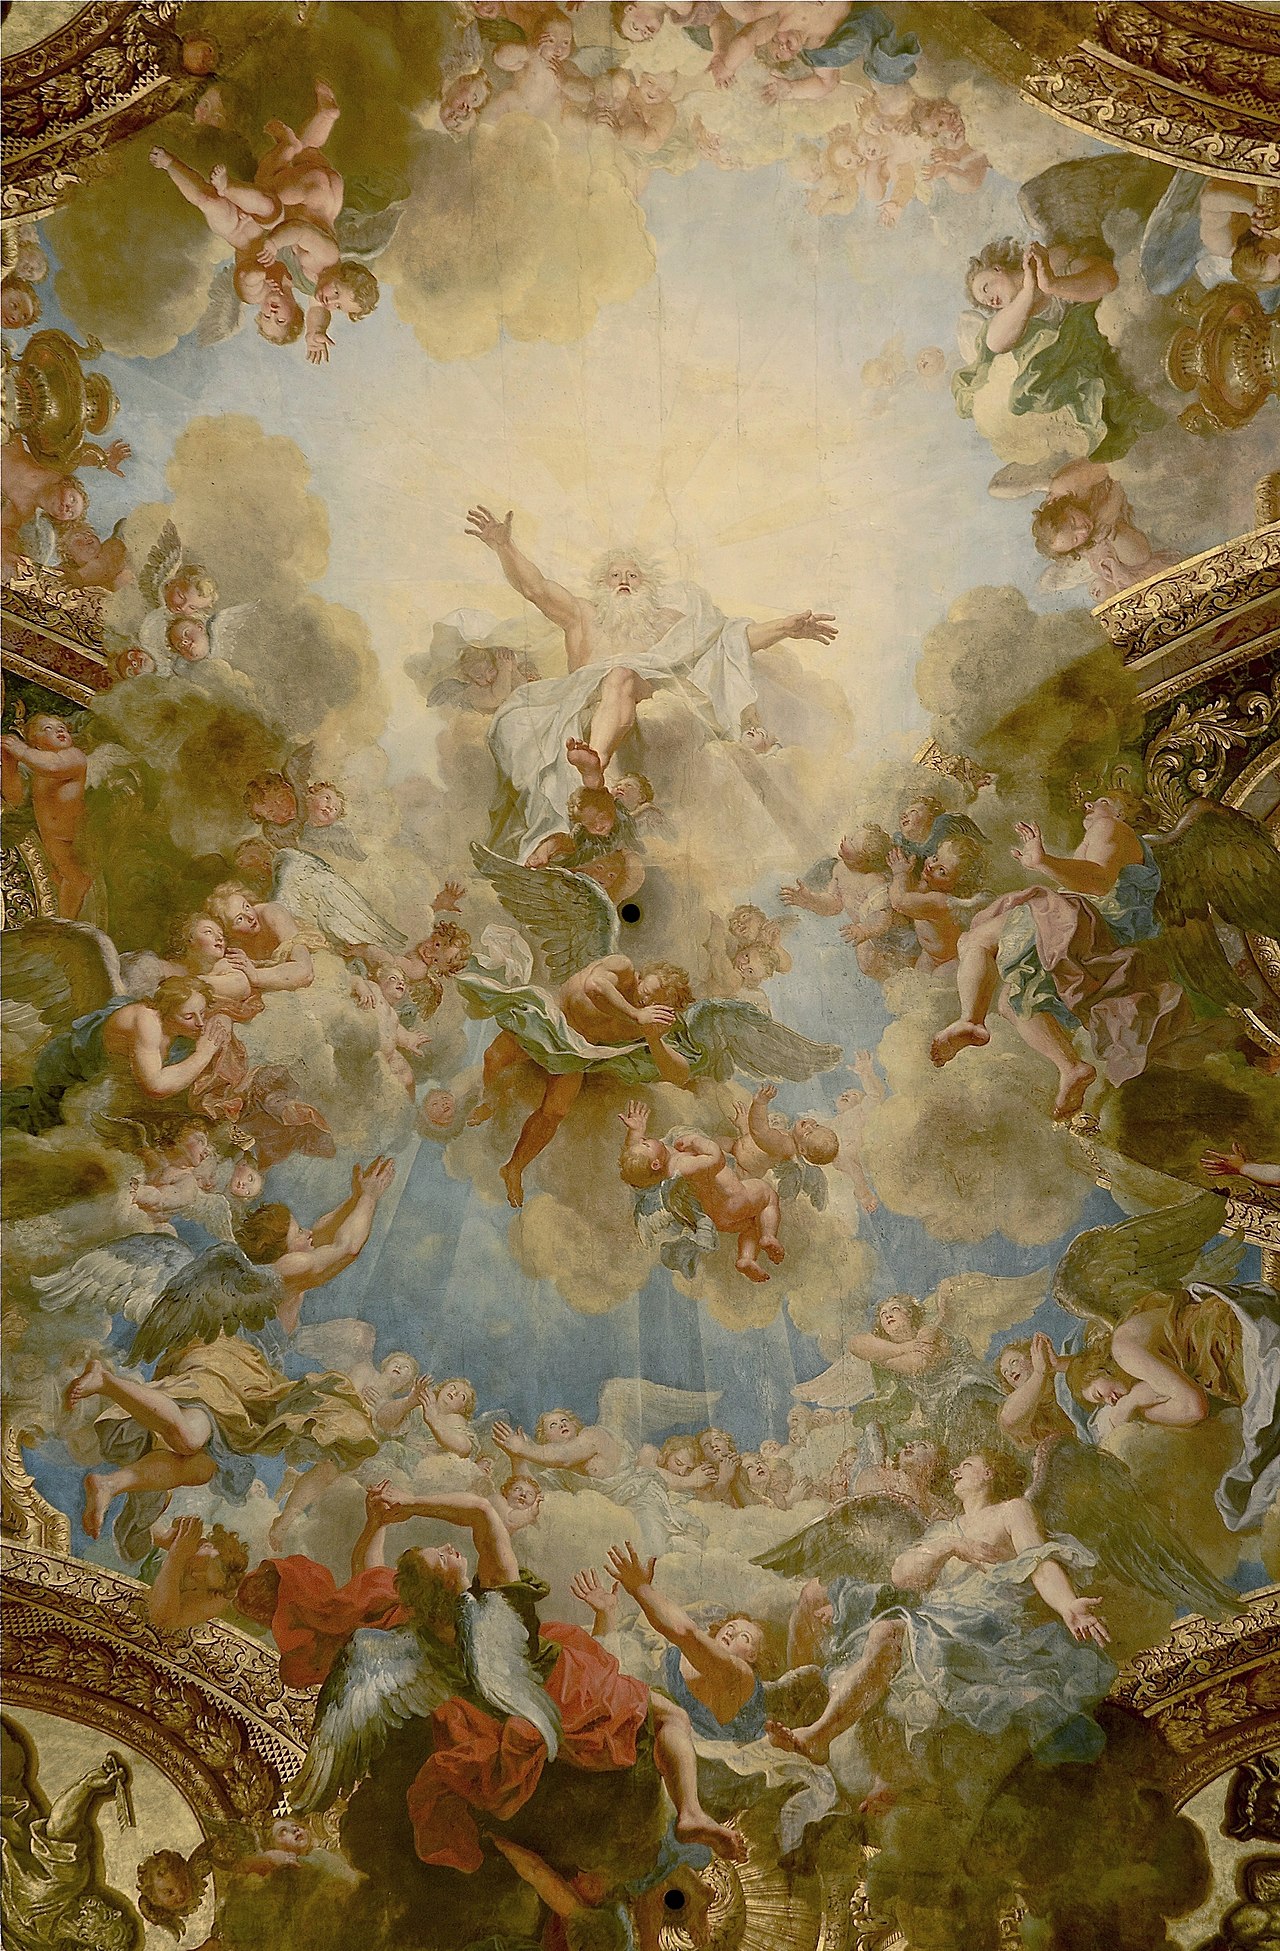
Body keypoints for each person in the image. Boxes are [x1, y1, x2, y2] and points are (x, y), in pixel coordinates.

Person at [256, 1485, 746, 1866]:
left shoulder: (417, 1635)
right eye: (442, 1556)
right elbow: (481, 1511)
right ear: (446, 1580)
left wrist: (377, 1524)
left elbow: (374, 1580)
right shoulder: (494, 1597)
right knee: (672, 1716)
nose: (448, 1547)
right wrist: (409, 1505)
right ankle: (690, 1812)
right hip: (565, 1688)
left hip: (505, 1716)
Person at [465, 504, 836, 859]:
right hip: (577, 698)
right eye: (615, 576)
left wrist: (785, 627)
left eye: (633, 575)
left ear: (648, 584)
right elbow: (536, 588)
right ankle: (558, 827)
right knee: (522, 720)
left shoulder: (665, 621)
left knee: (621, 675)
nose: (624, 581)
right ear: (601, 584)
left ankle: (595, 764)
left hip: (629, 693)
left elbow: (727, 639)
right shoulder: (583, 614)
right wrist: (503, 546)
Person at [766, 1450, 1112, 1774]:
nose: (955, 1472)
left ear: (989, 1474)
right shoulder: (944, 1530)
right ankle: (821, 1736)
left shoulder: (1011, 1511)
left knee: (886, 1631)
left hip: (991, 1624)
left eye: (967, 1465)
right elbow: (902, 1576)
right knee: (883, 1634)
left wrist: (1067, 1604)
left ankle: (818, 1734)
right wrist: (951, 1545)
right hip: (941, 1621)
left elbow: (1039, 1563)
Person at [930, 793, 1188, 1120]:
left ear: (1123, 811)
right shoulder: (1111, 836)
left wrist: (1043, 862)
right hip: (1089, 930)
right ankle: (1071, 1067)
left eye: (1102, 800)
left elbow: (1098, 881)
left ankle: (971, 1020)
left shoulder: (1112, 827)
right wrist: (1040, 865)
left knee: (976, 940)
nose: (1088, 805)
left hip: (1079, 921)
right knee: (1013, 1002)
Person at [463, 952, 695, 1206]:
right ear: (645, 975)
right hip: (551, 1022)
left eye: (656, 1003)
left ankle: (513, 1168)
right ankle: (489, 1102)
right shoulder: (622, 969)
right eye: (649, 991)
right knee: (495, 1057)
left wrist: (652, 1038)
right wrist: (636, 1015)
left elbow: (679, 1075)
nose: (647, 1000)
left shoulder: (651, 1020)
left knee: (556, 1111)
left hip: (577, 1052)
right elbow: (595, 987)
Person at [954, 239, 1161, 496]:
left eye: (986, 287)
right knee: (1022, 396)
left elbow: (1106, 279)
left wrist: (1051, 284)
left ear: (998, 268)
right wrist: (1029, 289)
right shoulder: (1007, 318)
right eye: (985, 302)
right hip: (1061, 372)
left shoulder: (1052, 260)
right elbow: (995, 343)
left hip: (1088, 342)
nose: (990, 299)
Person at [3, 975, 232, 1135]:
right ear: (166, 1012)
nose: (201, 1023)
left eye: (203, 1013)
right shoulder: (146, 1022)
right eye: (189, 1017)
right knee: (39, 1128)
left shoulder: (177, 1019)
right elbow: (156, 1086)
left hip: (95, 1081)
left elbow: (226, 1013)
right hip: (62, 1071)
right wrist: (204, 1053)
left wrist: (221, 1021)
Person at [607, 1540, 770, 1740]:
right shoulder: (676, 1655)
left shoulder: (741, 1675)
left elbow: (684, 1632)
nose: (732, 1634)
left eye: (744, 1637)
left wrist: (641, 1588)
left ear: (752, 1655)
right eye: (731, 1627)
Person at [618, 1100, 784, 1282]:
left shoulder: (659, 1177)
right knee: (768, 1195)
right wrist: (696, 1141)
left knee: (752, 1225)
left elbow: (637, 1177)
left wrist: (635, 1132)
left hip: (716, 1218)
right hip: (734, 1199)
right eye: (645, 1144)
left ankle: (746, 1258)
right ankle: (769, 1236)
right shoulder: (681, 1165)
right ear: (655, 1164)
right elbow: (716, 1159)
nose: (645, 1139)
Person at [0, 712, 91, 915]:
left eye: (62, 728)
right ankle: (61, 918)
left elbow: (53, 765)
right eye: (47, 729)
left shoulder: (73, 756)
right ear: (36, 743)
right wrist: (9, 763)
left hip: (74, 837)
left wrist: (22, 751)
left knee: (77, 879)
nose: (59, 731)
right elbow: (14, 797)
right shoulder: (35, 768)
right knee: (58, 879)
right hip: (51, 839)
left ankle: (65, 922)